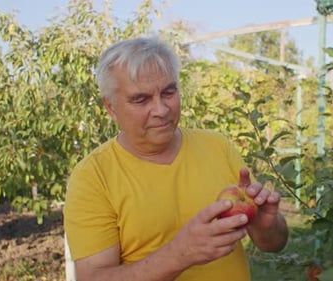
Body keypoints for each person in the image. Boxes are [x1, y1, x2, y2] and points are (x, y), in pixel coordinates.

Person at [63, 36, 289, 281]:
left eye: (168, 92)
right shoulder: (94, 176)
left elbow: (273, 244)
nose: (161, 110)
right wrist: (180, 255)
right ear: (111, 107)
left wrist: (267, 225)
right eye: (141, 99)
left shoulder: (217, 146)